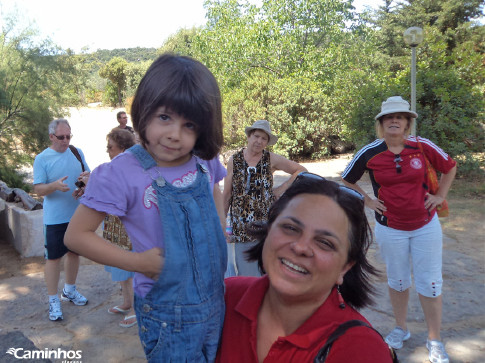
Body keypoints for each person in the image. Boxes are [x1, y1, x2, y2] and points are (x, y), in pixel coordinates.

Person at [65, 53, 227, 362]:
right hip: (168, 316)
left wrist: (219, 228)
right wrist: (138, 262)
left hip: (216, 300)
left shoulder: (205, 160)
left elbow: (216, 187)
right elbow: (77, 236)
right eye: (165, 117)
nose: (174, 134)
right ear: (144, 109)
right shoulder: (120, 172)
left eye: (189, 124)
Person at [216, 173, 394, 362]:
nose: (300, 247)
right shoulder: (225, 297)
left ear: (344, 268)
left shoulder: (361, 350)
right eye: (291, 228)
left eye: (325, 243)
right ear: (268, 230)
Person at [341, 96, 456, 363]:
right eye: (389, 117)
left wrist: (440, 197)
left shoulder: (422, 146)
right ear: (382, 124)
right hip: (390, 227)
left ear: (407, 123)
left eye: (400, 117)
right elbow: (347, 179)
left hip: (426, 226)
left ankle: (434, 339)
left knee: (430, 283)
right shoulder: (369, 152)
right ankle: (401, 328)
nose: (394, 120)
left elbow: (449, 168)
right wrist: (367, 200)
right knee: (399, 280)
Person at [222, 119, 307, 276]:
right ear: (248, 137)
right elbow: (227, 194)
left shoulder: (271, 159)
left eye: (264, 139)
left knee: (268, 270)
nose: (259, 141)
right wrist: (221, 222)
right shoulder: (235, 160)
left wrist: (282, 188)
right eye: (256, 136)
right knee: (247, 274)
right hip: (242, 227)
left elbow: (300, 171)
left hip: (266, 225)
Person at [33, 119, 90, 322]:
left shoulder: (76, 151)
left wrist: (83, 185)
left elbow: (87, 174)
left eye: (68, 136)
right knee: (53, 258)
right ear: (51, 137)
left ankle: (70, 290)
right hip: (55, 218)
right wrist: (54, 186)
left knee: (74, 253)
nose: (66, 141)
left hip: (77, 214)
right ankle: (53, 299)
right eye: (61, 137)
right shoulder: (42, 159)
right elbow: (38, 189)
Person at [103, 128, 137, 328]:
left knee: (130, 267)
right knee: (120, 265)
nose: (108, 151)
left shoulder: (130, 168)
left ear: (122, 148)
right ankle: (127, 302)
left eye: (110, 147)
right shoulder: (115, 167)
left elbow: (122, 196)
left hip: (127, 226)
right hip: (115, 225)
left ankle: (135, 308)